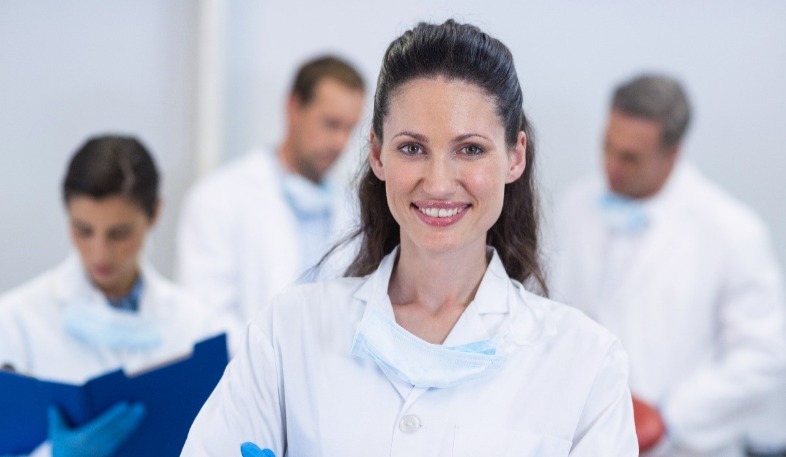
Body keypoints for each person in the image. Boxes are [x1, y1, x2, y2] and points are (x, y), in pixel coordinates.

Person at [181, 20, 637, 456]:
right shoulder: (289, 331)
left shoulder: (586, 364)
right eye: (412, 148)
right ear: (378, 154)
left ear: (515, 157)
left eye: (470, 149)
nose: (437, 183)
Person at [551, 74, 786, 456]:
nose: (611, 165)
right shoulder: (575, 204)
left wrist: (670, 417)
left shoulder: (733, 233)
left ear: (672, 153)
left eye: (630, 157)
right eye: (607, 146)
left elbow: (764, 356)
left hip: (683, 447)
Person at [0, 135, 222, 457]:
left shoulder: (197, 324)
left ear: (154, 213)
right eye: (83, 230)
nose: (99, 254)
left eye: (119, 234)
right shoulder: (15, 321)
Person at [175, 55, 366, 353]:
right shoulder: (218, 198)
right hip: (250, 374)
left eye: (350, 129)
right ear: (294, 107)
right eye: (331, 124)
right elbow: (204, 320)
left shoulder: (356, 210)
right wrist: (281, 362)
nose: (341, 142)